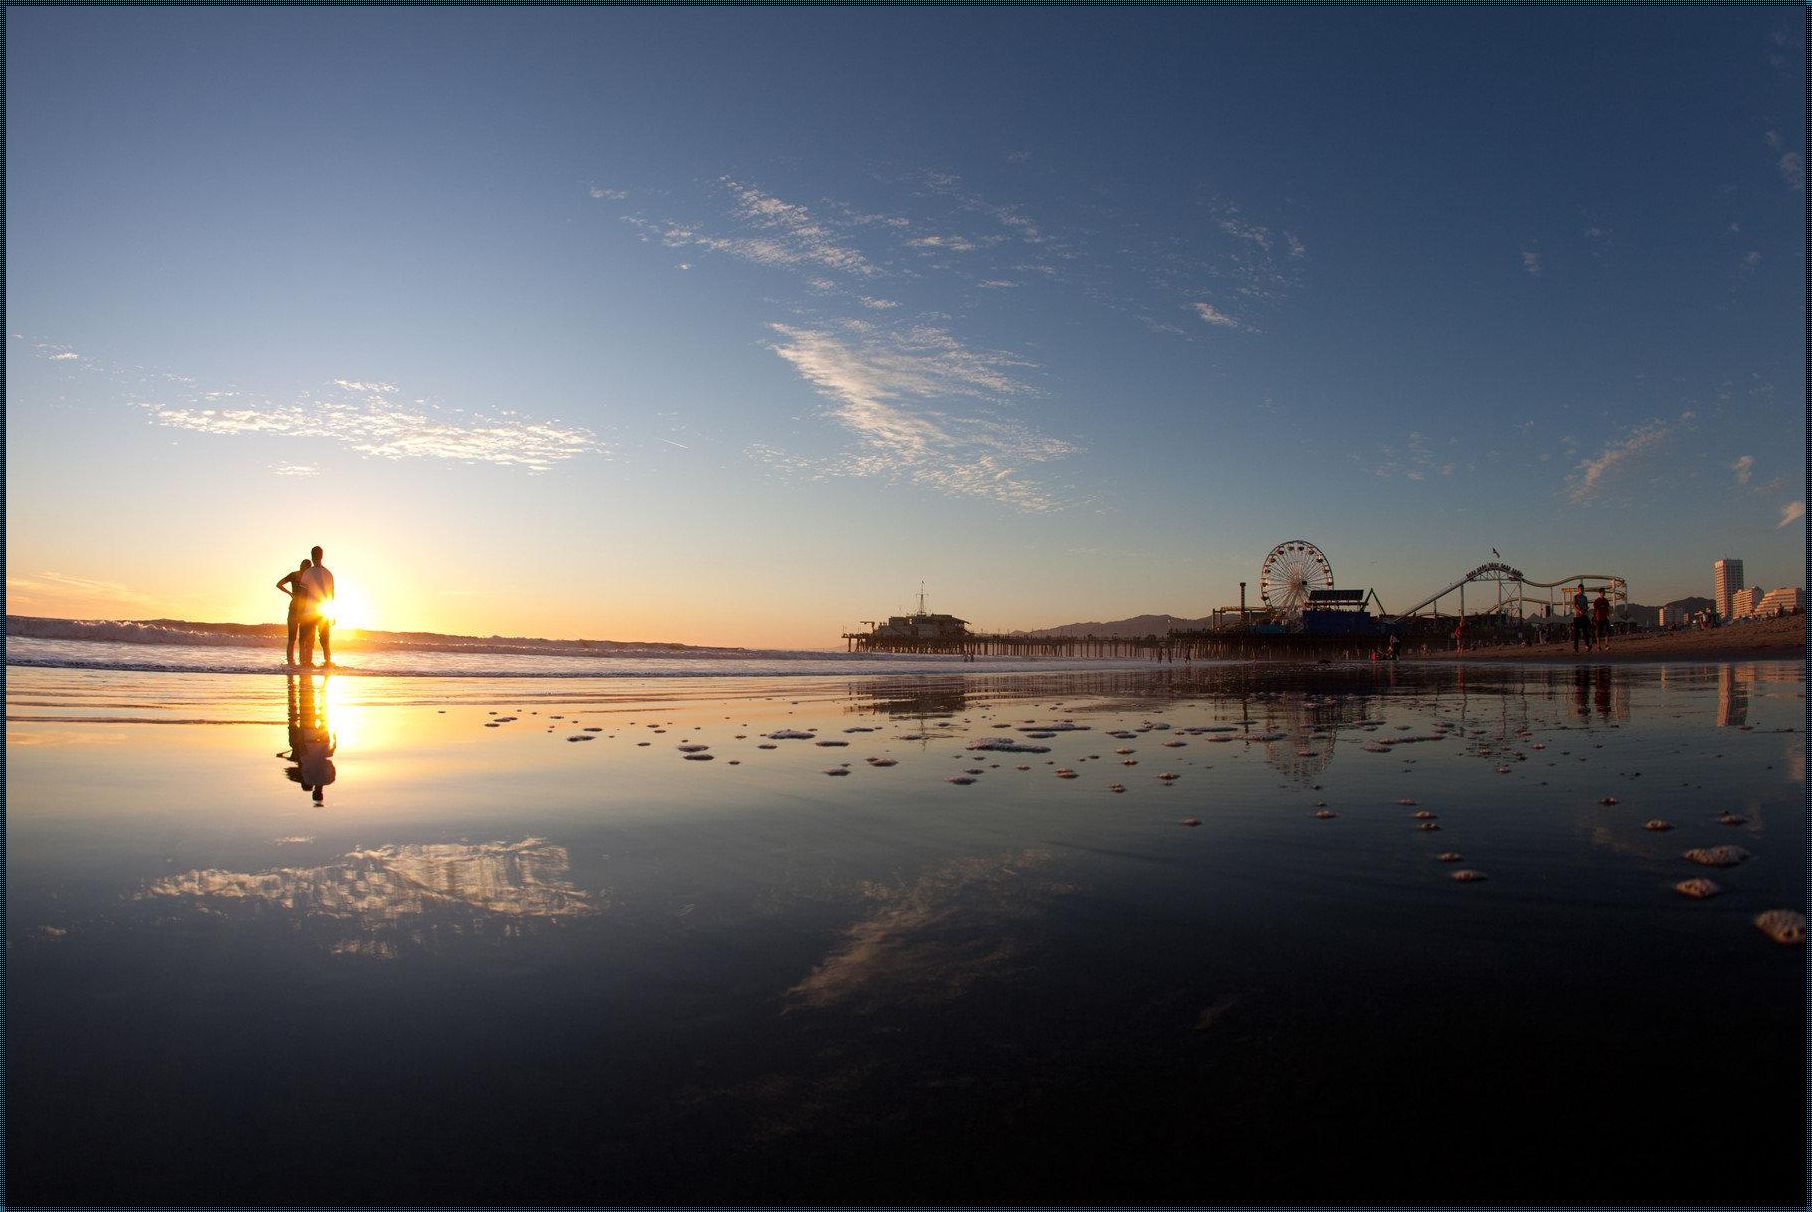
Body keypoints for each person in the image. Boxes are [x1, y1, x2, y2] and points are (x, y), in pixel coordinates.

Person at [299, 545, 336, 667]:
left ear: (312, 556)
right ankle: (328, 661)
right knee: (325, 639)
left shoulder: (307, 573)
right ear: (322, 556)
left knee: (309, 639)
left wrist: (300, 612)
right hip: (324, 612)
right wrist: (332, 614)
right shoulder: (328, 574)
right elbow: (331, 596)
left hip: (309, 612)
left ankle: (308, 663)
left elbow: (303, 595)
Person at [275, 557, 313, 667]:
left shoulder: (295, 575)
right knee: (298, 638)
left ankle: (293, 662)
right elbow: (279, 584)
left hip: (299, 609)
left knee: (295, 638)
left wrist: (291, 594)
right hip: (301, 610)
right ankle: (296, 662)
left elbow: (279, 584)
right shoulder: (306, 578)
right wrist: (290, 593)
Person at [1571, 585, 1591, 654]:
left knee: (1585, 631)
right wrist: (1579, 611)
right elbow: (1574, 605)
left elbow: (1586, 606)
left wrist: (1584, 611)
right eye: (1580, 589)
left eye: (1582, 589)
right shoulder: (1576, 597)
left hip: (1583, 616)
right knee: (1576, 633)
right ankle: (1575, 648)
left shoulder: (1585, 597)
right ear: (1578, 590)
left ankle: (1587, 645)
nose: (1582, 590)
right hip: (1577, 617)